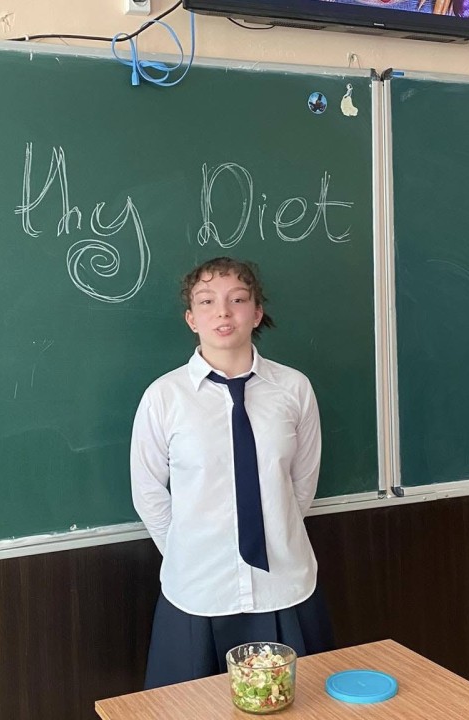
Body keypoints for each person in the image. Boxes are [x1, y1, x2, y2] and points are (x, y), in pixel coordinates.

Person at [130, 256, 334, 689]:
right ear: (191, 318)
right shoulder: (164, 397)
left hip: (282, 584)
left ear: (256, 313)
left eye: (237, 299)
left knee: (296, 705)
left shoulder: (293, 388)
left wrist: (272, 532)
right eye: (207, 301)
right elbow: (148, 491)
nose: (223, 312)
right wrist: (188, 551)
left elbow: (302, 483)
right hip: (197, 590)